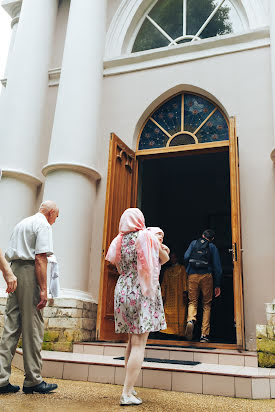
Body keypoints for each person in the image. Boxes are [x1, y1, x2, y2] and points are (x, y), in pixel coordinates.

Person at [106, 209, 169, 406]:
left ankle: (130, 387)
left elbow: (116, 265)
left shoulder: (118, 240)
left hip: (123, 288)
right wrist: (159, 244)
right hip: (141, 289)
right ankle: (126, 393)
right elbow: (164, 259)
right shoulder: (146, 236)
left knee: (130, 342)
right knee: (139, 343)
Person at [0, 201, 59, 394]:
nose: (54, 222)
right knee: (33, 326)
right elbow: (40, 258)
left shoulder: (22, 223)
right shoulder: (42, 224)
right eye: (55, 217)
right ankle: (33, 379)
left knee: (11, 326)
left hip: (14, 269)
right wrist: (43, 289)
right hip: (28, 271)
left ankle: (1, 379)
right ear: (50, 213)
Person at [184, 229, 222, 343]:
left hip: (192, 275)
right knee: (206, 305)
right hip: (206, 276)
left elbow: (186, 257)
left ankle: (190, 320)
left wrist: (189, 269)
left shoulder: (194, 243)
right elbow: (217, 267)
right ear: (212, 239)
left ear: (202, 235)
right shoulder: (212, 247)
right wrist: (217, 285)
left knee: (192, 302)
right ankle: (204, 335)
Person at [160, 252, 188, 337]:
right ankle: (168, 331)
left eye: (174, 257)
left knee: (180, 312)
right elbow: (164, 284)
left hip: (179, 295)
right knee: (167, 311)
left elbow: (184, 281)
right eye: (171, 258)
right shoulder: (167, 271)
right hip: (169, 295)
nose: (173, 259)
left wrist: (185, 292)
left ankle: (179, 332)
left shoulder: (182, 268)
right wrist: (162, 295)